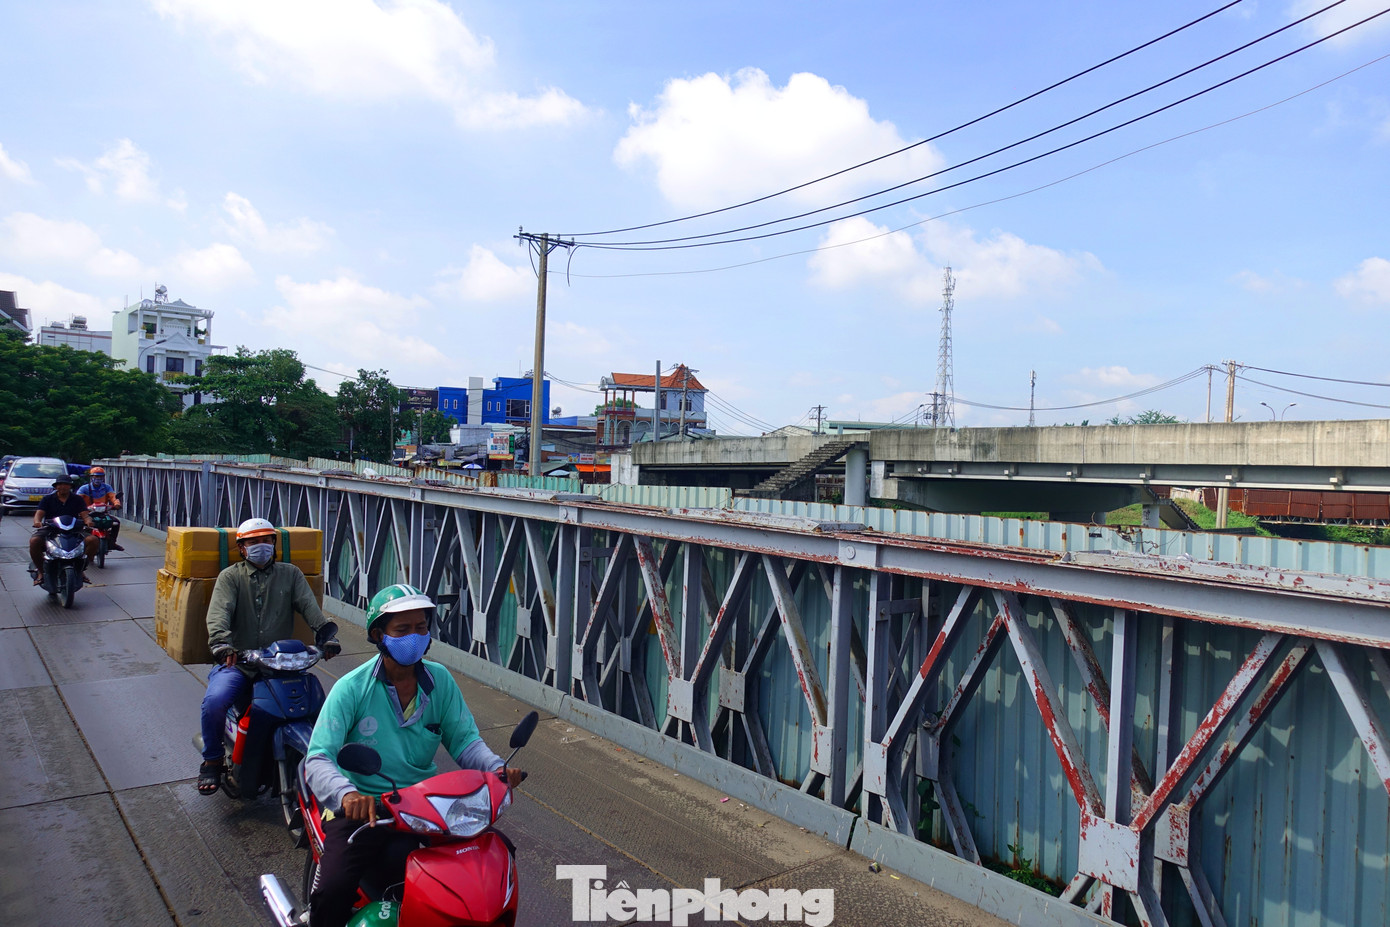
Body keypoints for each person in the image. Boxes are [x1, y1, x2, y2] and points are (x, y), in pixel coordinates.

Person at [302, 584, 524, 927]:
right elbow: (318, 758)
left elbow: (465, 742)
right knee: (332, 891)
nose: (415, 636)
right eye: (402, 630)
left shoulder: (441, 681)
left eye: (421, 628)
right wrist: (348, 795)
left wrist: (496, 769)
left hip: (426, 808)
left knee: (490, 861)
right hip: (368, 810)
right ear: (379, 635)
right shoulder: (352, 688)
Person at [198, 517, 342, 795]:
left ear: (274, 543)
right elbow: (219, 614)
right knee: (214, 702)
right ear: (242, 548)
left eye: (266, 540)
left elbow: (310, 608)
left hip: (280, 665)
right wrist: (222, 644)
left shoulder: (291, 574)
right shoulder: (230, 577)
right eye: (253, 542)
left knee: (319, 703)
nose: (261, 546)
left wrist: (326, 635)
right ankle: (212, 760)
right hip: (239, 664)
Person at [30, 475, 99, 584]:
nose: (63, 487)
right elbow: (39, 514)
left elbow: (85, 515)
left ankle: (80, 569)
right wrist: (37, 522)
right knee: (34, 541)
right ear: (56, 487)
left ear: (70, 487)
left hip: (74, 529)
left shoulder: (77, 499)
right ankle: (41, 571)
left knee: (93, 540)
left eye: (66, 484)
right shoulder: (47, 499)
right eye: (60, 484)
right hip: (51, 529)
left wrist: (88, 521)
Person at [77, 466, 123, 551]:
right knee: (78, 524)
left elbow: (113, 497)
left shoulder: (107, 487)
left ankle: (112, 543)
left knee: (116, 523)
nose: (98, 479)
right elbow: (77, 499)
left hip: (102, 512)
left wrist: (116, 504)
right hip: (87, 513)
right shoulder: (84, 488)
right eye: (96, 476)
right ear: (91, 477)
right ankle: (77, 544)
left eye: (100, 477)